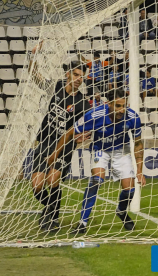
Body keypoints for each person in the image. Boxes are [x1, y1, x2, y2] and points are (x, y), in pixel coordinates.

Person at [48, 89, 146, 234]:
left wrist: (139, 171)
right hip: (100, 148)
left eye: (124, 105)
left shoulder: (132, 117)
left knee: (130, 190)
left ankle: (121, 210)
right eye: (118, 106)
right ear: (109, 104)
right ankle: (82, 222)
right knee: (96, 181)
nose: (122, 110)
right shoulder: (94, 115)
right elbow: (70, 132)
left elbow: (138, 144)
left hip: (121, 150)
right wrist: (54, 155)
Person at [30, 43, 91, 231]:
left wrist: (84, 137)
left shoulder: (83, 103)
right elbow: (36, 77)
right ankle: (51, 207)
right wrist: (32, 56)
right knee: (37, 185)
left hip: (64, 147)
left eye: (82, 76)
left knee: (53, 180)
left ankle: (51, 217)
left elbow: (85, 130)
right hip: (45, 141)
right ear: (68, 74)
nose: (79, 79)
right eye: (76, 75)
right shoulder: (55, 87)